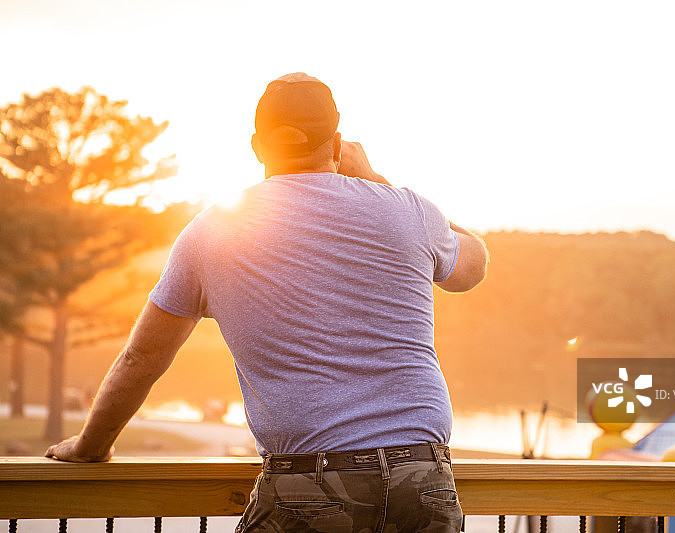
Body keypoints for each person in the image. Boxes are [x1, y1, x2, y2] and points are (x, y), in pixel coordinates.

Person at [45, 72, 489, 532]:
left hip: (310, 481)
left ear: (257, 146)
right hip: (425, 478)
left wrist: (90, 447)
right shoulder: (406, 210)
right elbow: (472, 267)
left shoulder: (212, 232)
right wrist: (377, 180)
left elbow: (144, 357)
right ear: (337, 144)